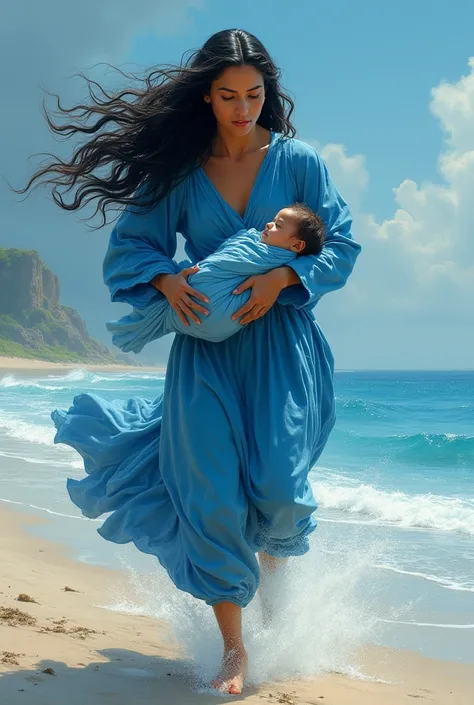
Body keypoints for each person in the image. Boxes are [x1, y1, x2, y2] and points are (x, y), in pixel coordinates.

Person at [20, 28, 361, 695]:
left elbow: (341, 243)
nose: (243, 109)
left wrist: (283, 280)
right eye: (229, 95)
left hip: (282, 350)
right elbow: (132, 248)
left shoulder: (300, 163)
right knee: (210, 496)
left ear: (269, 92)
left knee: (279, 489)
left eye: (254, 95)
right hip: (204, 356)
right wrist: (165, 279)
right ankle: (235, 651)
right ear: (207, 96)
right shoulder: (179, 173)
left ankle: (280, 619)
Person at [106, 203, 326, 351]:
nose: (269, 224)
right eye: (272, 220)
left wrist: (247, 239)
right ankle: (166, 317)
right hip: (218, 324)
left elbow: (225, 260)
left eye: (278, 225)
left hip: (216, 312)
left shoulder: (274, 256)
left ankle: (160, 319)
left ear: (296, 245)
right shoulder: (280, 255)